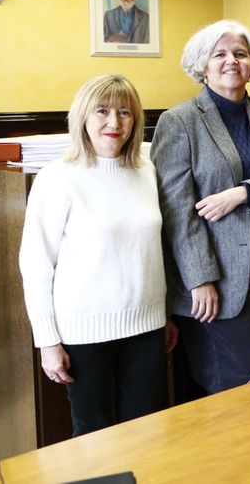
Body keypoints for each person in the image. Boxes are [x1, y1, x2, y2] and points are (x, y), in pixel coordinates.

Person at [152, 20, 250, 394]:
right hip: (218, 280)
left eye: (240, 54)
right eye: (219, 54)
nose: (231, 61)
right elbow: (177, 213)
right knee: (241, 386)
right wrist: (199, 279)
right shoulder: (180, 121)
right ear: (202, 65)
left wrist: (244, 193)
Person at [19, 74, 176, 435]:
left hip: (147, 329)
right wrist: (47, 341)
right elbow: (36, 264)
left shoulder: (146, 170)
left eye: (124, 112)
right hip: (83, 335)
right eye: (102, 111)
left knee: (149, 434)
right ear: (83, 118)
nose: (114, 122)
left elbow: (152, 251)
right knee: (94, 440)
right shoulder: (57, 178)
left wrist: (163, 313)